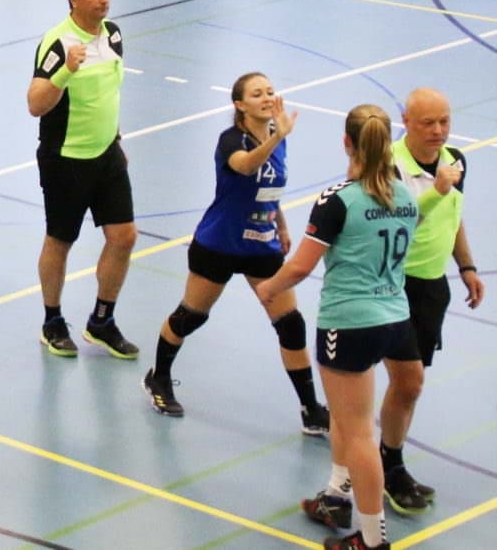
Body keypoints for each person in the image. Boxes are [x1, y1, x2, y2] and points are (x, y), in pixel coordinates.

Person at [257, 105, 420, 550]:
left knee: (357, 432)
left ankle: (371, 538)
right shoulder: (405, 194)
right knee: (348, 422)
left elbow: (300, 267)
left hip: (349, 324)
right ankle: (334, 498)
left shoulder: (338, 199)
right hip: (395, 317)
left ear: (347, 143)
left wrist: (269, 287)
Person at [142, 73, 329, 437]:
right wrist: (276, 138)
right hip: (219, 243)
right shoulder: (231, 140)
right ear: (240, 104)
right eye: (257, 94)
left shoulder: (277, 135)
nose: (267, 98)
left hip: (261, 246)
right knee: (191, 317)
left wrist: (282, 225)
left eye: (270, 92)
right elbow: (245, 166)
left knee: (290, 324)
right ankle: (158, 377)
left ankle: (310, 410)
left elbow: (268, 187)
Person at [374, 88, 482, 513]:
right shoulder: (388, 165)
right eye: (428, 122)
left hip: (431, 288)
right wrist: (435, 190)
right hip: (392, 285)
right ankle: (376, 469)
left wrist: (466, 265)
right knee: (408, 382)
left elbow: (453, 215)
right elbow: (391, 224)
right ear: (405, 120)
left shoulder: (455, 161)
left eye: (445, 121)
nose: (438, 131)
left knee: (409, 387)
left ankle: (391, 463)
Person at [26, 0, 138, 358]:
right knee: (61, 240)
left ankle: (101, 321)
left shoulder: (114, 35)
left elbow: (108, 93)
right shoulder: (58, 42)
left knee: (124, 237)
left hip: (107, 155)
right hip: (66, 159)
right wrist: (65, 71)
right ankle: (52, 321)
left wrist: (116, 139)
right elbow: (35, 103)